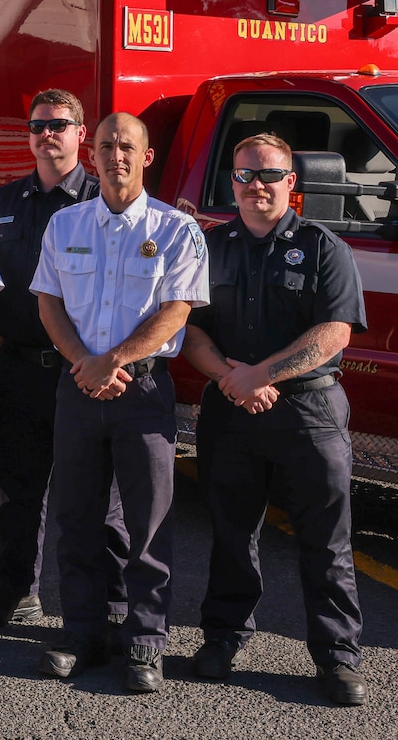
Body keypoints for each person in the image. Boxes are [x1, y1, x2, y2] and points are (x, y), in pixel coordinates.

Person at [182, 133, 368, 706]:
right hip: (231, 407)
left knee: (326, 540)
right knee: (232, 532)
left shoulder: (323, 248)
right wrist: (228, 378)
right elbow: (187, 326)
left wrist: (261, 374)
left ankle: (337, 656)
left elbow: (335, 331)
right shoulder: (212, 246)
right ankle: (223, 637)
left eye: (268, 175)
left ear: (292, 182)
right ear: (231, 182)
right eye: (244, 175)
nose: (255, 185)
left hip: (309, 411)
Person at [31, 112, 208, 693]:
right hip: (78, 386)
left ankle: (146, 642)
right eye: (105, 145)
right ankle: (83, 632)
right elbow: (49, 304)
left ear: (146, 156)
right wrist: (86, 362)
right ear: (92, 154)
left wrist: (116, 360)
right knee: (77, 518)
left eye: (126, 145)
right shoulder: (64, 224)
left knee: (148, 523)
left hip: (144, 390)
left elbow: (176, 311)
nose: (115, 155)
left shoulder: (178, 231)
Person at [0, 90, 130, 631]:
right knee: (18, 492)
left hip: (84, 372)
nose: (48, 133)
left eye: (60, 124)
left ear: (80, 134)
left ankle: (105, 612)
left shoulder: (102, 202)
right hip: (16, 368)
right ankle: (13, 591)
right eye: (39, 125)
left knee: (95, 501)